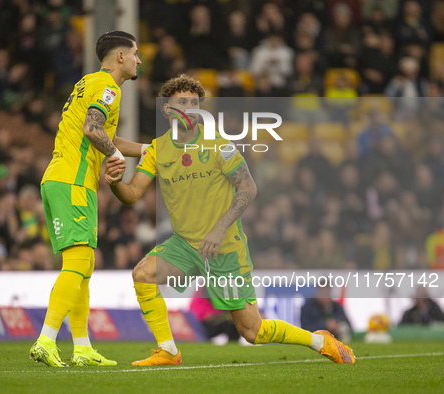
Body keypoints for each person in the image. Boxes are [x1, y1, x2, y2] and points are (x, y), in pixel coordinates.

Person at [105, 74, 355, 366]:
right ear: (166, 109)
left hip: (224, 248)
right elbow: (132, 194)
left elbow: (248, 187)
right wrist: (114, 182)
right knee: (142, 273)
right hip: (185, 246)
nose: (188, 108)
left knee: (252, 331)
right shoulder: (158, 149)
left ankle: (319, 341)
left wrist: (219, 228)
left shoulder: (218, 145)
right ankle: (168, 350)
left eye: (194, 103)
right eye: (181, 102)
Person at [29, 31, 147, 367]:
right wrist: (115, 156)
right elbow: (93, 131)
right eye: (136, 53)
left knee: (84, 266)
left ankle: (81, 347)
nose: (139, 60)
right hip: (73, 182)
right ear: (120, 57)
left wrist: (143, 150)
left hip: (62, 180)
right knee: (79, 264)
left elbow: (103, 133)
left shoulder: (91, 83)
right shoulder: (108, 87)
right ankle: (46, 340)